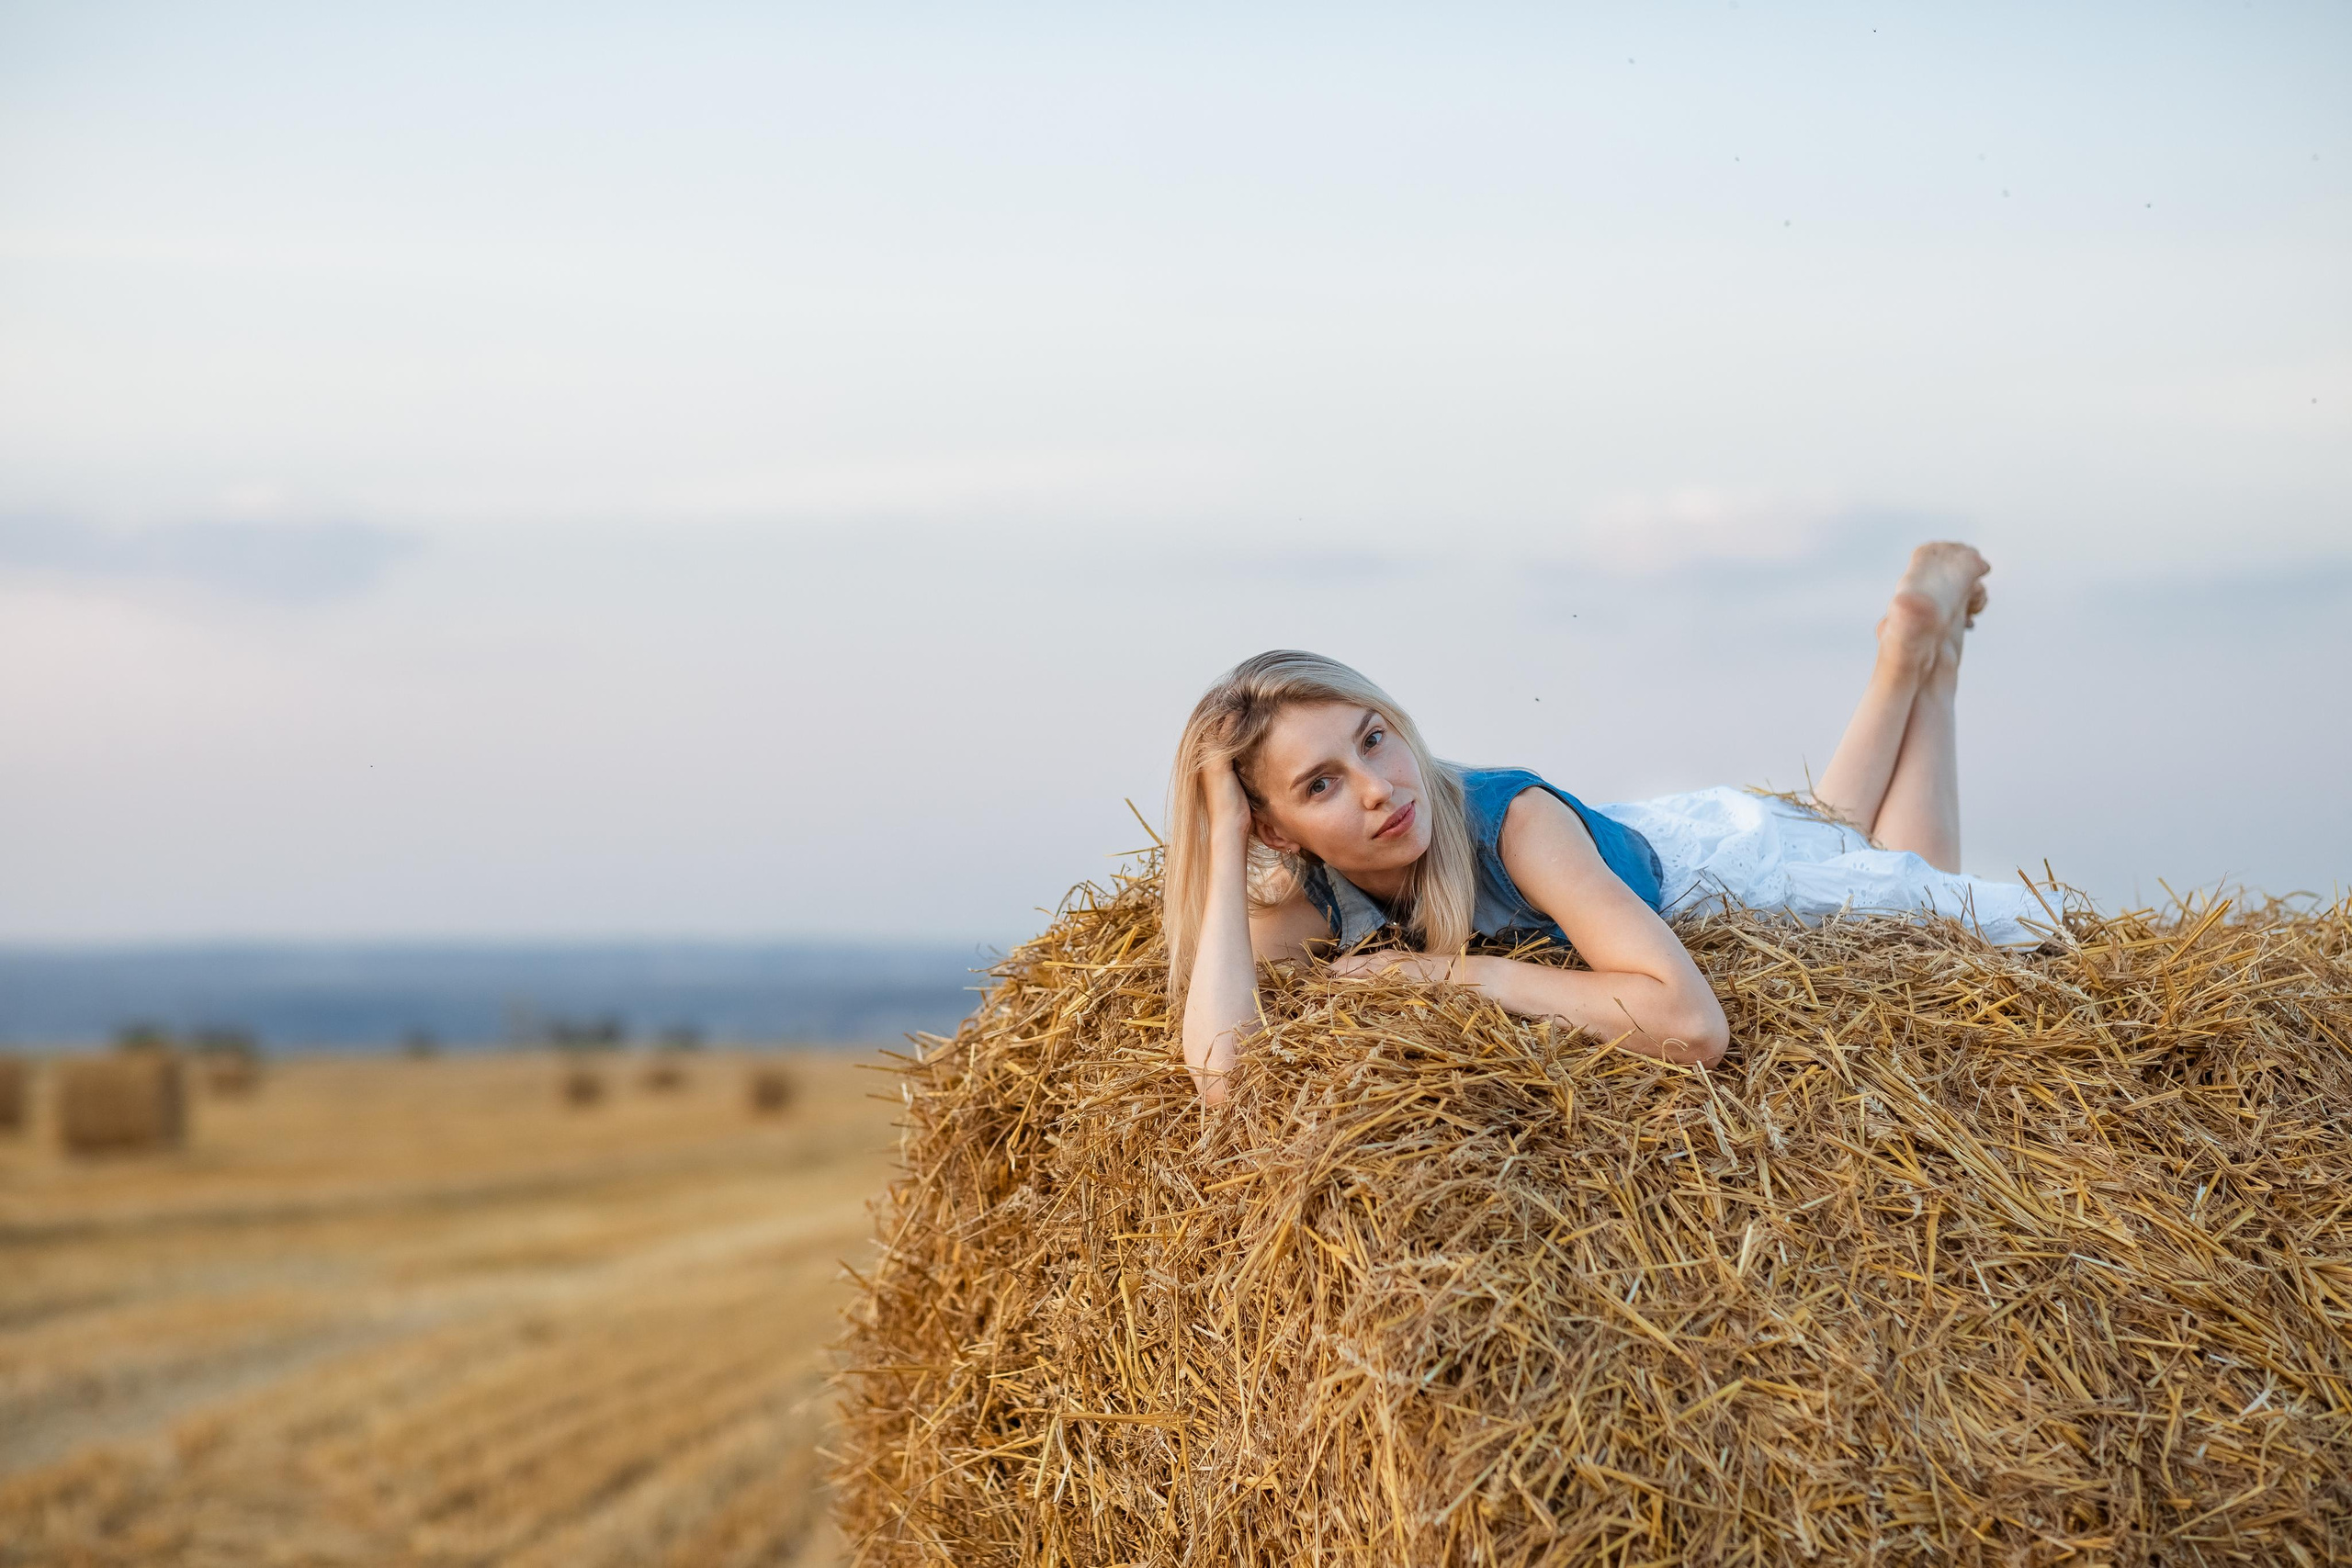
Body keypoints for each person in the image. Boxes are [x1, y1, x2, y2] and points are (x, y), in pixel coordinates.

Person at [1165, 542, 2046, 1106]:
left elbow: (1693, 1027)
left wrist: (1452, 973)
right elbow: (1224, 1074)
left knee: (1900, 869)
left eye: (1375, 739)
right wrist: (1224, 829)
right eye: (1320, 785)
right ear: (1275, 828)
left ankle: (1927, 663)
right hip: (1629, 838)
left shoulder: (1511, 823)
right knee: (1831, 825)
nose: (1378, 789)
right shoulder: (1319, 889)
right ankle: (1911, 653)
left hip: (1717, 870)